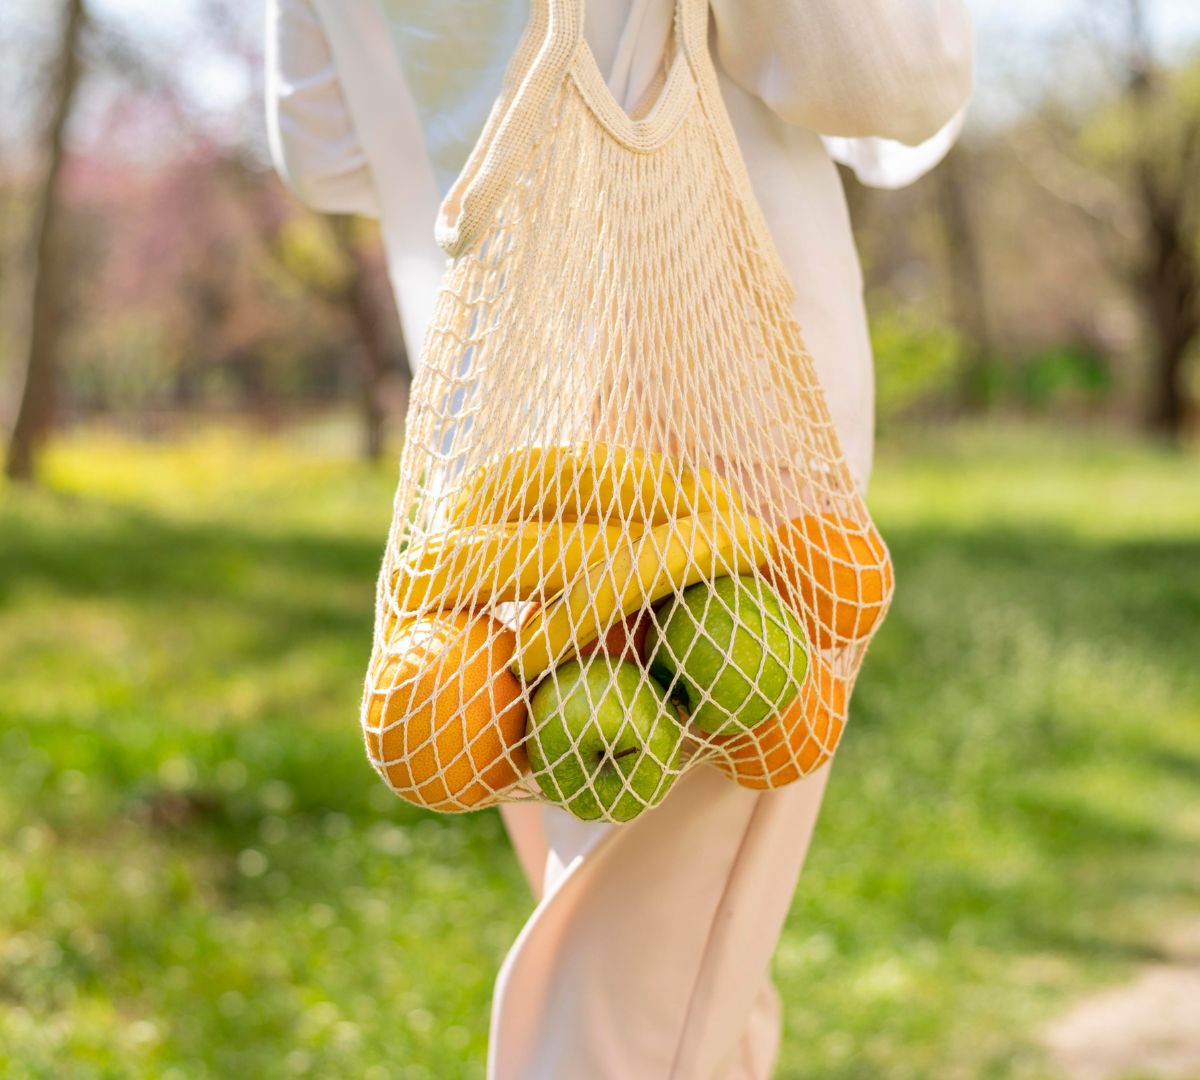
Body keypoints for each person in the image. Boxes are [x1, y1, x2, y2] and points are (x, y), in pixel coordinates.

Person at [266, 2, 974, 1076]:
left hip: (497, 460)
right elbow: (888, 75)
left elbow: (320, 147)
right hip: (731, 456)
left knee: (682, 969)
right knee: (631, 1013)